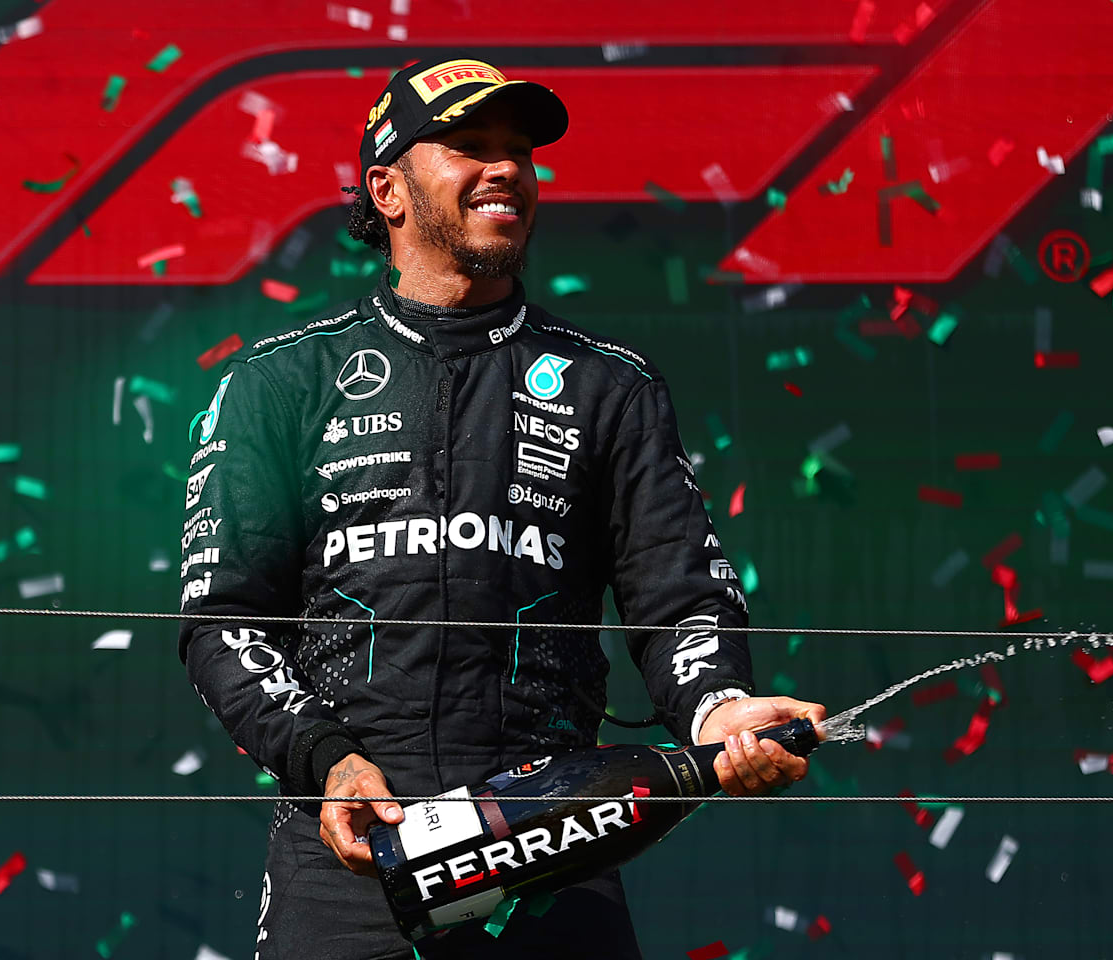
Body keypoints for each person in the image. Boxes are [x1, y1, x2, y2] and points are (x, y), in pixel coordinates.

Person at [178, 55, 827, 960]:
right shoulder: (279, 382)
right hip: (354, 846)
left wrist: (719, 709)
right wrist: (327, 763)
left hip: (557, 834)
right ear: (388, 190)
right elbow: (226, 619)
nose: (507, 168)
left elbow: (679, 597)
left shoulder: (612, 386)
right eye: (468, 147)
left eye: (518, 151)